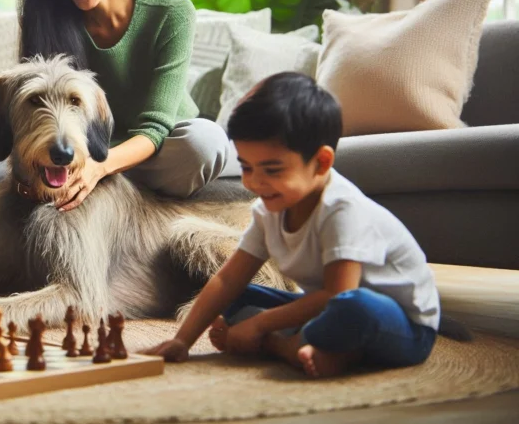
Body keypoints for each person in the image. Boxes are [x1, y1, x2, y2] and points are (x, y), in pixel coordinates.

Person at [142, 72, 440, 377]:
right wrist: (182, 341)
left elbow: (336, 297)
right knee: (238, 298)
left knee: (352, 306)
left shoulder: (342, 211)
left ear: (322, 163)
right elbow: (227, 280)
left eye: (272, 170)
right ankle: (310, 347)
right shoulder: (268, 210)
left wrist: (258, 324)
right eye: (246, 167)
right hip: (327, 311)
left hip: (401, 327)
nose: (255, 182)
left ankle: (287, 346)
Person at [19, 0, 229, 212]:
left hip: (162, 148)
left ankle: (104, 183)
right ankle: (107, 186)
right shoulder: (46, 20)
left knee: (204, 144)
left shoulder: (172, 13)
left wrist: (100, 167)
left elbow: (155, 127)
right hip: (83, 154)